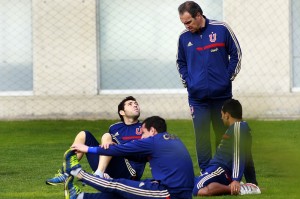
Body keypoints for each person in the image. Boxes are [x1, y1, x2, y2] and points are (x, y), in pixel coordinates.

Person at [176, 1, 242, 172]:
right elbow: (180, 62)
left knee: (223, 135)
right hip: (197, 98)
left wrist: (227, 78)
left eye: (189, 22)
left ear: (199, 15)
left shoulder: (221, 29)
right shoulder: (184, 38)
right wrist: (188, 82)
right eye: (183, 23)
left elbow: (236, 54)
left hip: (221, 96)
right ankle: (206, 173)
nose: (186, 26)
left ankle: (225, 171)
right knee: (202, 137)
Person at [64, 116, 195, 199]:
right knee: (126, 192)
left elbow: (121, 149)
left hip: (169, 193)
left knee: (119, 184)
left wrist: (87, 149)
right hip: (180, 191)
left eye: (143, 133)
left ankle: (77, 172)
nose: (141, 137)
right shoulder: (173, 139)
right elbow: (138, 156)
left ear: (153, 131)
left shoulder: (153, 141)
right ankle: (80, 197)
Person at [46, 96, 145, 186]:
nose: (135, 105)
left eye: (136, 103)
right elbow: (107, 147)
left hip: (130, 172)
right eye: (130, 104)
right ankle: (66, 173)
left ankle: (99, 175)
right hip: (110, 166)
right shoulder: (115, 127)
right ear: (122, 112)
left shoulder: (145, 127)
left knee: (108, 139)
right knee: (84, 135)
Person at [193, 99, 261, 196]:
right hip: (219, 170)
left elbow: (238, 154)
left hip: (220, 169)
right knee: (189, 182)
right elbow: (248, 158)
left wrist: (236, 180)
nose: (221, 118)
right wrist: (253, 183)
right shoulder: (240, 129)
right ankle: (238, 187)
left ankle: (237, 189)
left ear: (227, 115)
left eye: (222, 114)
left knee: (197, 189)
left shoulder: (237, 128)